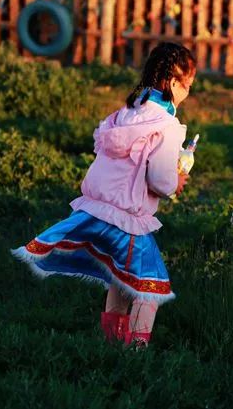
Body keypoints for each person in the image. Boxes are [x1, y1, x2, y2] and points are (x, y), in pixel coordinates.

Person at [11, 42, 196, 347]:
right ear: (174, 83)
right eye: (187, 85)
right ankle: (136, 351)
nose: (188, 92)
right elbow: (161, 181)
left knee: (121, 279)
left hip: (96, 210)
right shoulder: (167, 125)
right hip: (127, 219)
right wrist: (175, 181)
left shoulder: (126, 113)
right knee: (150, 287)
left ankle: (111, 345)